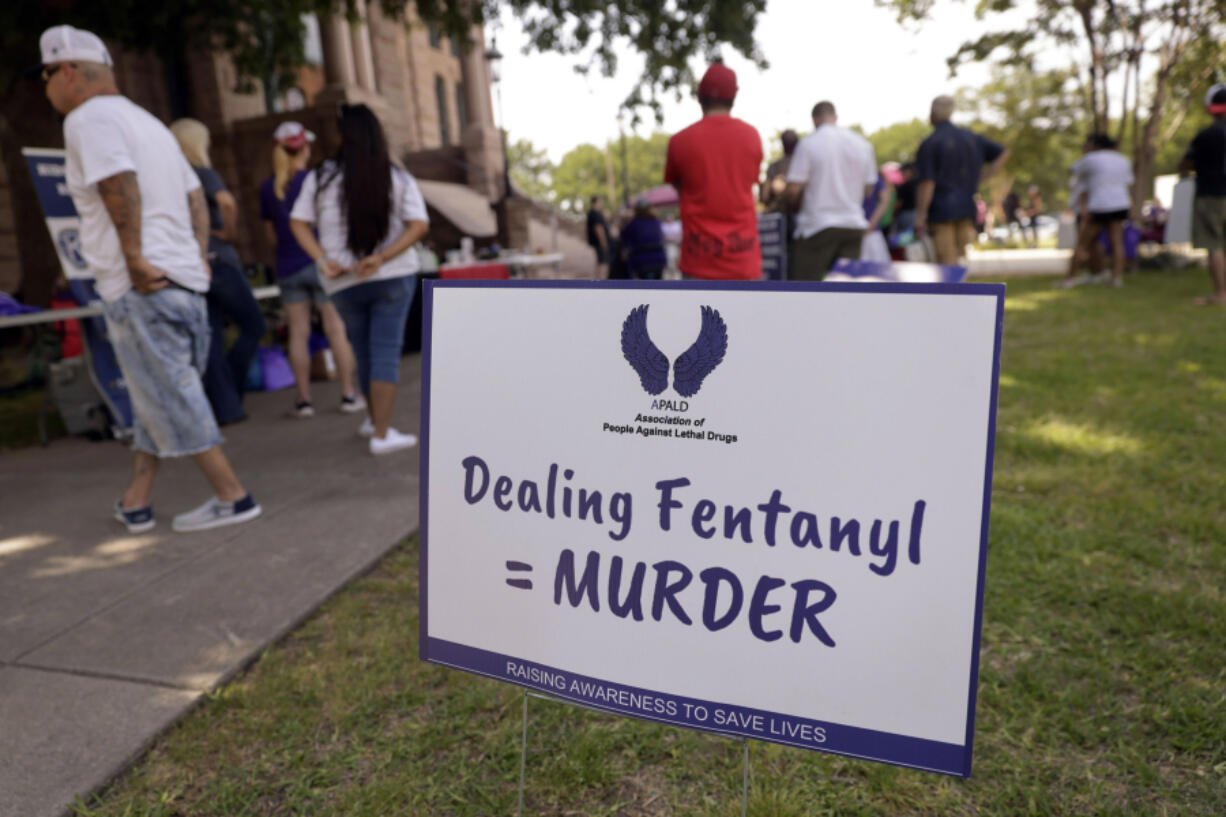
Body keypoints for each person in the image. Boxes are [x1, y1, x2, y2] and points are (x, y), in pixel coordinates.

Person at [41, 24, 260, 532]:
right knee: (155, 395)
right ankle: (136, 500)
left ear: (68, 71)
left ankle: (234, 496)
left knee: (174, 393)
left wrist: (135, 258)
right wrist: (199, 255)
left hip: (142, 285)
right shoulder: (151, 123)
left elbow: (119, 183)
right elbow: (194, 196)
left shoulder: (86, 120)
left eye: (47, 74)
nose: (45, 86)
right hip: (183, 280)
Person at [289, 104, 429, 455]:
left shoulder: (320, 177)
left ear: (341, 136)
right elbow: (419, 225)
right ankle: (382, 433)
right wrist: (382, 257)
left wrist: (323, 260)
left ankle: (373, 420)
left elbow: (298, 223)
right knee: (384, 352)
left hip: (342, 282)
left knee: (364, 352)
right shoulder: (396, 176)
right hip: (392, 276)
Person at [258, 121, 363, 418]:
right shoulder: (316, 181)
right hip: (322, 263)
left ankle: (304, 400)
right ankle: (347, 394)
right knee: (336, 329)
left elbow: (271, 236)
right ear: (304, 147)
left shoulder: (268, 188)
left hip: (288, 266)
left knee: (298, 334)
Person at [169, 118, 266, 427]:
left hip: (193, 263)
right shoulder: (201, 172)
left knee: (211, 336)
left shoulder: (171, 176)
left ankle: (225, 408)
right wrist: (227, 231)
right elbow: (226, 202)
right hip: (217, 260)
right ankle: (233, 389)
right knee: (254, 324)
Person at [664, 62, 763, 280]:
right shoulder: (751, 136)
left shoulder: (679, 142)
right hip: (743, 260)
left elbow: (679, 188)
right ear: (734, 97)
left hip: (698, 262)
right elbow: (750, 183)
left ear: (700, 97)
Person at [784, 101, 878, 279]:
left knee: (804, 290)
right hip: (853, 225)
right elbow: (869, 189)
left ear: (815, 119)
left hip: (816, 226)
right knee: (846, 293)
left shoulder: (809, 143)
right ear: (835, 117)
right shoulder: (862, 144)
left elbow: (793, 190)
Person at [915, 95, 1009, 265]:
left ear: (933, 113)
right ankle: (961, 289)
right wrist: (982, 178)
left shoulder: (930, 143)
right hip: (966, 207)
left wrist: (920, 215)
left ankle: (953, 291)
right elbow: (1002, 153)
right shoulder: (971, 138)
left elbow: (927, 182)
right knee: (961, 259)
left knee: (946, 262)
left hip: (940, 211)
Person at [1062, 133, 1133, 288]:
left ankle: (1070, 279)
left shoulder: (1091, 158)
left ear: (1094, 145)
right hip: (1121, 204)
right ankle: (1116, 278)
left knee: (1082, 243)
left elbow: (1072, 169)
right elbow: (1129, 181)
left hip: (1100, 205)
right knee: (1117, 242)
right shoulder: (1123, 159)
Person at [1180, 84, 1226, 305]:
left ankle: (1221, 294)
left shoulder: (1205, 136)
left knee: (1214, 244)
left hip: (1211, 195)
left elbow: (1185, 164)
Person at [619, 200, 667, 279]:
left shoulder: (633, 223)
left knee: (642, 287)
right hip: (658, 259)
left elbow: (623, 236)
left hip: (640, 261)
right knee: (657, 286)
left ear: (636, 210)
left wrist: (624, 219)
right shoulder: (656, 222)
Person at [761, 129, 799, 212]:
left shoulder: (774, 166)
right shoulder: (803, 165)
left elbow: (765, 196)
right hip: (801, 214)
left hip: (778, 214)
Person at [586, 195, 611, 278]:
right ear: (596, 202)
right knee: (603, 262)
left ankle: (598, 279)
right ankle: (600, 280)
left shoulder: (594, 213)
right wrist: (603, 242)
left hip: (597, 242)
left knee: (600, 261)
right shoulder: (594, 213)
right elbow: (598, 228)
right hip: (599, 243)